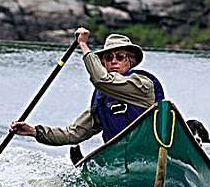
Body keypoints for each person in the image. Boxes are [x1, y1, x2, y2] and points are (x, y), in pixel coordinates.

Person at [9, 27, 164, 146]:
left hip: (150, 146)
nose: (114, 61)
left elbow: (101, 80)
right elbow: (73, 134)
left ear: (131, 61)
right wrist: (35, 132)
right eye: (108, 58)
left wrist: (83, 44)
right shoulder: (103, 100)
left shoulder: (142, 84)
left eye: (120, 57)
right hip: (122, 155)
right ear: (103, 63)